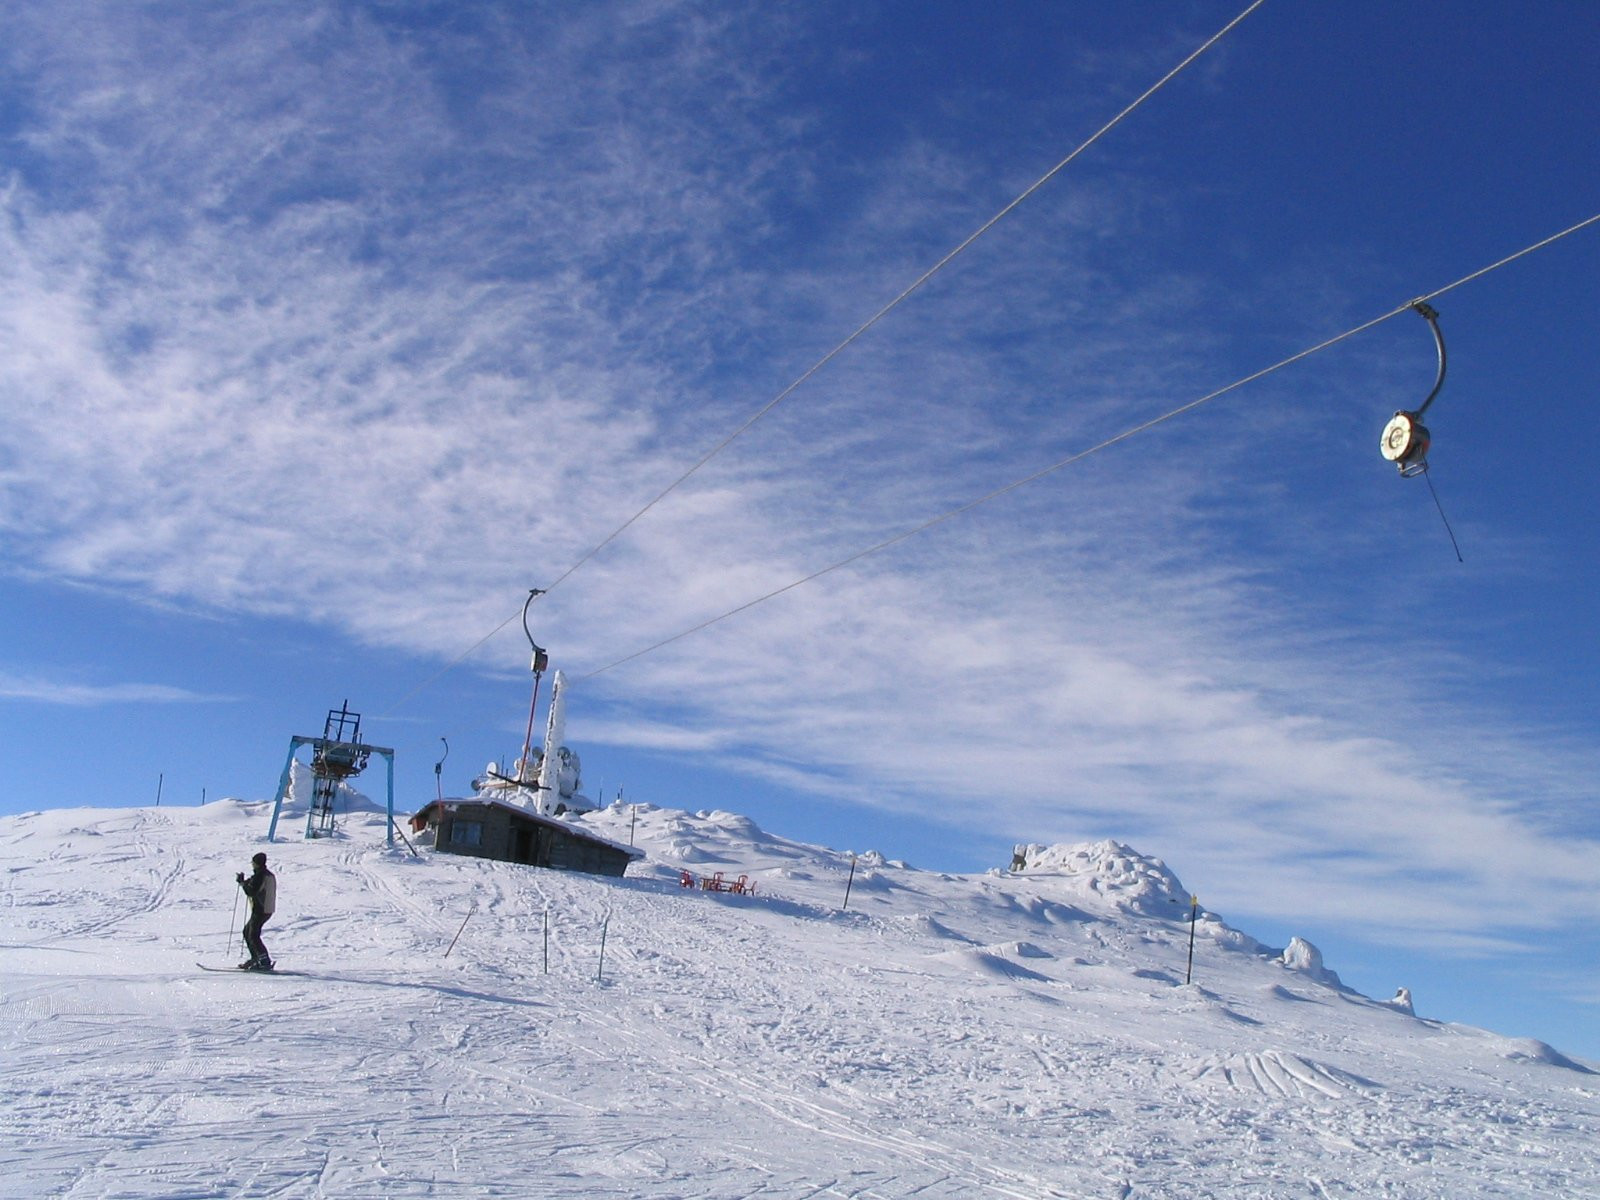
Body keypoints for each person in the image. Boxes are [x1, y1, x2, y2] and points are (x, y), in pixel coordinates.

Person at [236, 851, 277, 970]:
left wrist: (242, 884)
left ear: (256, 864)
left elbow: (251, 891)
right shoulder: (267, 874)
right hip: (267, 908)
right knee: (248, 932)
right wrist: (246, 882)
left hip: (261, 908)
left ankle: (263, 961)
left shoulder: (260, 875)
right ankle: (257, 959)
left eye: (253, 863)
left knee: (252, 935)